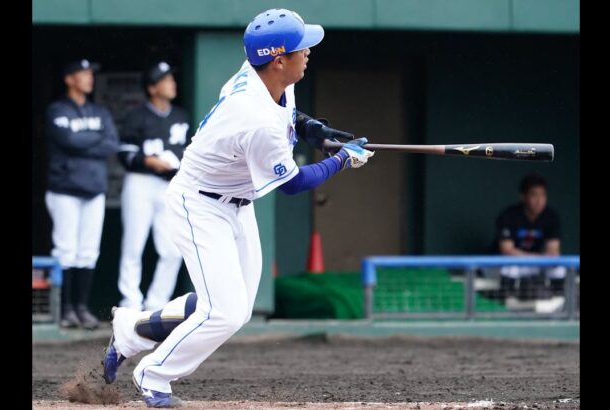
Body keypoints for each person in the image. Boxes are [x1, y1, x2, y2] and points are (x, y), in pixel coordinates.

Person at [102, 9, 373, 407]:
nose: (309, 52)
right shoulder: (255, 117)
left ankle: (132, 331)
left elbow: (288, 114)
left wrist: (313, 129)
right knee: (224, 313)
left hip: (236, 203)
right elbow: (294, 184)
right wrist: (340, 161)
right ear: (279, 58)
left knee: (237, 308)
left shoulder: (266, 73)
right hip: (199, 204)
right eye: (302, 48)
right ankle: (153, 375)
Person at [45, 59, 119, 329]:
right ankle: (65, 310)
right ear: (69, 78)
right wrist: (94, 139)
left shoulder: (99, 111)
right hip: (64, 189)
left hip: (94, 189)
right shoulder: (57, 109)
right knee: (66, 249)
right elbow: (67, 141)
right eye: (83, 73)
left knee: (88, 251)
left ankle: (81, 308)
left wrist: (85, 143)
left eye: (90, 73)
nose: (89, 78)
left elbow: (112, 143)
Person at [117, 62, 190, 312]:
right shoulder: (137, 116)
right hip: (140, 182)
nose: (171, 83)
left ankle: (156, 304)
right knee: (133, 245)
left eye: (172, 79)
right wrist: (148, 160)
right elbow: (124, 153)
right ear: (152, 88)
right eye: (165, 80)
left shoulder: (181, 115)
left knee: (172, 250)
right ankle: (131, 302)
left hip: (169, 185)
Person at [494, 173, 565, 299]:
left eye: (542, 195)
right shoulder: (509, 215)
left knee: (558, 268)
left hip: (534, 264)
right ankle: (507, 304)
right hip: (505, 265)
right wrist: (540, 257)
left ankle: (558, 303)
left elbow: (553, 252)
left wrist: (540, 259)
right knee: (511, 267)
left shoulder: (551, 216)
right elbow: (507, 251)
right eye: (534, 195)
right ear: (523, 196)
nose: (539, 200)